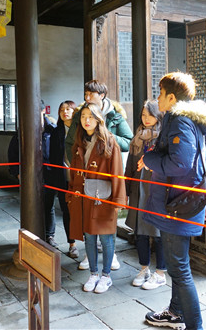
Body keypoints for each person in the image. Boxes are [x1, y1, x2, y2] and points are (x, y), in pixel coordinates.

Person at [141, 72, 206, 329]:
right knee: (179, 265)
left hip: (176, 205)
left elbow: (180, 164)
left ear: (171, 97)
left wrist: (149, 159)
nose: (157, 99)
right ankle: (176, 312)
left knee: (179, 269)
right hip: (181, 202)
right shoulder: (184, 120)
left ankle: (194, 326)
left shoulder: (180, 121)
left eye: (160, 94)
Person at [65, 79, 133, 270]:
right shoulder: (80, 115)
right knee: (87, 221)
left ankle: (110, 258)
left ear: (102, 95)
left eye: (91, 94)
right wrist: (76, 162)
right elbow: (71, 142)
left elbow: (128, 141)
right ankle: (90, 256)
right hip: (85, 172)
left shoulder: (115, 116)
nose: (87, 97)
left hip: (106, 170)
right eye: (85, 94)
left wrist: (104, 136)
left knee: (106, 222)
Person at [66, 103, 127, 294]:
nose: (87, 120)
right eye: (84, 116)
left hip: (103, 197)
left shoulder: (109, 141)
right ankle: (93, 274)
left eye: (91, 116)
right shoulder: (79, 141)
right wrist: (71, 194)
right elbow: (74, 172)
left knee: (107, 238)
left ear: (99, 119)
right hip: (84, 196)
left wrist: (118, 200)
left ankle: (106, 276)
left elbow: (117, 172)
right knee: (89, 237)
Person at [124, 100, 167, 290]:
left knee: (158, 233)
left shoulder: (163, 138)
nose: (146, 118)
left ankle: (160, 273)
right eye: (143, 115)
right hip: (137, 190)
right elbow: (129, 167)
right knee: (139, 232)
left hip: (156, 190)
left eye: (150, 115)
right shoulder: (137, 138)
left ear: (158, 116)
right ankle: (144, 269)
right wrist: (126, 190)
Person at [7, 100, 56, 244]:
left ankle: (49, 235)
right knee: (30, 206)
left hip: (48, 174)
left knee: (49, 206)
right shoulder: (21, 132)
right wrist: (17, 173)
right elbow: (12, 154)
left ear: (43, 111)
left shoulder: (51, 130)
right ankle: (31, 235)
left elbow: (57, 153)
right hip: (29, 175)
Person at [48, 100, 79, 257]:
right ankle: (72, 244)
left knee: (83, 211)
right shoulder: (56, 132)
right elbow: (53, 157)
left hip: (80, 178)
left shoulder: (81, 129)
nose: (65, 112)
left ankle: (92, 241)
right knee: (67, 211)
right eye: (62, 110)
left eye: (68, 109)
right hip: (63, 178)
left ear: (74, 111)